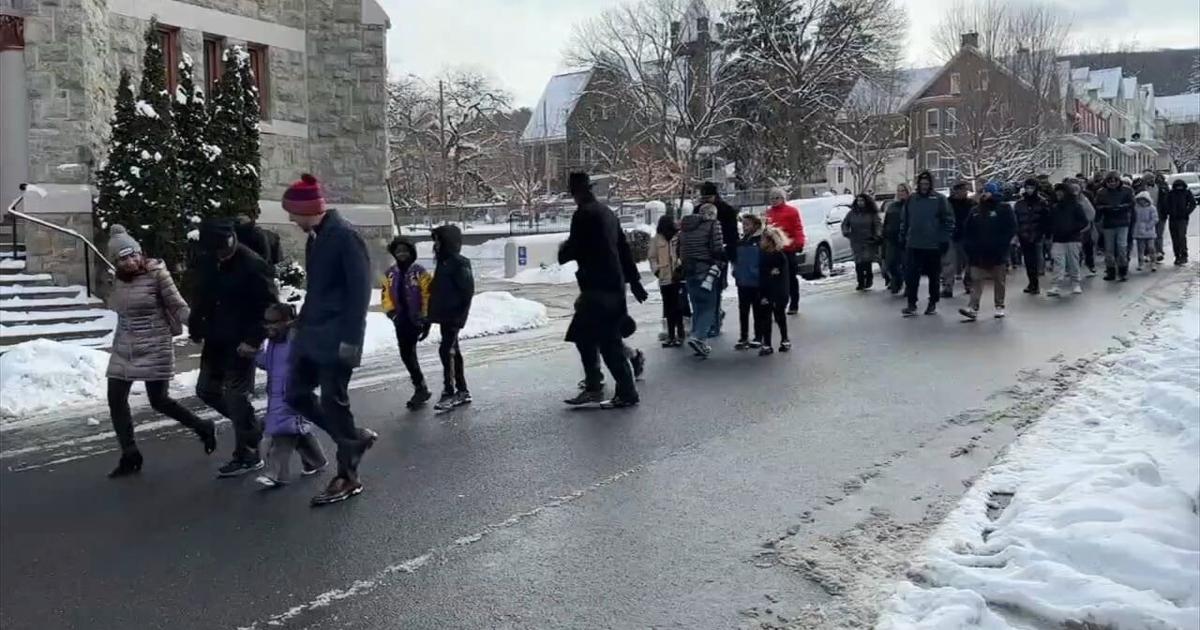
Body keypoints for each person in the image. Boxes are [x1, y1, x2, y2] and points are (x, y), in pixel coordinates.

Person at [281, 173, 377, 506]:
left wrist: (351, 343)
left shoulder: (345, 237)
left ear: (308, 209)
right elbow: (319, 292)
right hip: (312, 336)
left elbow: (359, 295)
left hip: (338, 338)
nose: (291, 220)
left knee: (335, 403)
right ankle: (352, 439)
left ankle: (348, 476)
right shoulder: (316, 239)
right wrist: (299, 325)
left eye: (293, 213)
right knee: (295, 394)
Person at [104, 225, 215, 478]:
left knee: (159, 401)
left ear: (141, 253)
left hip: (155, 344)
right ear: (116, 262)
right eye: (123, 258)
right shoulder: (117, 280)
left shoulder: (157, 274)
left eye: (134, 255)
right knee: (115, 399)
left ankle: (202, 426)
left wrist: (202, 329)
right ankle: (130, 454)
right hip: (125, 345)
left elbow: (177, 306)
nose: (131, 261)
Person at [190, 218, 276, 477]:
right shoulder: (208, 259)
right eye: (214, 250)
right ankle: (253, 428)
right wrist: (196, 324)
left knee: (236, 397)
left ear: (231, 239)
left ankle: (248, 453)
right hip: (215, 338)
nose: (220, 254)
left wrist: (253, 340)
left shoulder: (252, 265)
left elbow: (270, 306)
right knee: (206, 390)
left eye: (223, 248)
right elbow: (202, 294)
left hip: (241, 342)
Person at [560, 172, 647, 407]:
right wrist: (634, 281)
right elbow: (623, 248)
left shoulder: (583, 215)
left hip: (597, 286)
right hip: (612, 284)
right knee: (586, 336)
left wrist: (563, 250)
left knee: (607, 343)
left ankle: (624, 392)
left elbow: (576, 248)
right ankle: (594, 386)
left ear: (574, 192)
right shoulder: (607, 213)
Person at [254, 303, 328, 489]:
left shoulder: (295, 340)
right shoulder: (273, 343)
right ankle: (316, 460)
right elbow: (269, 364)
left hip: (294, 395)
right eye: (266, 322)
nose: (269, 327)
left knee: (283, 433)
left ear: (287, 322)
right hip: (277, 395)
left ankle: (275, 474)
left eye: (274, 322)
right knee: (298, 431)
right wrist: (256, 355)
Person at [381, 236, 433, 408]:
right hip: (400, 319)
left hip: (416, 318)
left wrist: (425, 317)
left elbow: (427, 295)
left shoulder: (419, 272)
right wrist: (392, 313)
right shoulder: (390, 273)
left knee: (409, 353)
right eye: (398, 251)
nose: (402, 254)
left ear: (411, 252)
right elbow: (386, 295)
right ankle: (420, 386)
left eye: (405, 250)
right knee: (406, 354)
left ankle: (420, 387)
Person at [427, 225, 475, 410]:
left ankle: (451, 391)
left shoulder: (459, 263)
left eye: (439, 240)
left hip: (454, 317)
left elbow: (467, 292)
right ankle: (461, 390)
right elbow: (439, 291)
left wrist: (459, 318)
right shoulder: (443, 263)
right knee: (452, 351)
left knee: (446, 351)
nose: (436, 245)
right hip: (444, 316)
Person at [958, 183, 1016, 320]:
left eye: (987, 191)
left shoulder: (1004, 208)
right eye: (982, 191)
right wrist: (969, 246)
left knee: (999, 280)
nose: (983, 194)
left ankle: (999, 305)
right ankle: (973, 307)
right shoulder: (975, 210)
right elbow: (968, 230)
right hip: (978, 252)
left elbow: (1011, 228)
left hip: (997, 251)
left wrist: (1003, 245)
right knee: (976, 280)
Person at [900, 171, 955, 316]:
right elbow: (905, 220)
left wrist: (943, 239)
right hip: (914, 243)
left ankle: (933, 302)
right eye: (922, 184)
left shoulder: (939, 199)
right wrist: (903, 236)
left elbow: (948, 221)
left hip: (933, 244)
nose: (924, 186)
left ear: (930, 184)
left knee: (934, 276)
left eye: (927, 184)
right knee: (912, 275)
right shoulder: (912, 199)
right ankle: (911, 303)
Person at [678, 203, 726, 357]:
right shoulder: (713, 225)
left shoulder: (685, 227)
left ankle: (698, 337)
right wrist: (721, 260)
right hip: (705, 270)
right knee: (709, 306)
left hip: (689, 270)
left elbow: (679, 249)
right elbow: (717, 248)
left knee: (697, 306)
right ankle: (698, 336)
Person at [764, 188, 805, 314]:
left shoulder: (791, 212)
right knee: (773, 278)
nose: (774, 201)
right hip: (772, 250)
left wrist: (799, 243)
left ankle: (794, 303)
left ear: (783, 198)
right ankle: (777, 304)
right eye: (772, 198)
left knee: (790, 277)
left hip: (788, 249)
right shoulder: (768, 213)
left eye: (777, 198)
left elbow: (797, 228)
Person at [1046, 183, 1090, 297]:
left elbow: (1084, 221)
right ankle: (1056, 284)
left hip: (1072, 238)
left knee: (1073, 261)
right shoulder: (1055, 207)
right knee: (1058, 262)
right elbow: (1049, 221)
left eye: (1061, 192)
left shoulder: (1076, 206)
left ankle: (1075, 283)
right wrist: (1051, 231)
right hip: (1058, 239)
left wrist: (1073, 228)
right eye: (1057, 192)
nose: (1059, 194)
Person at [649, 214, 685, 348]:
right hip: (664, 277)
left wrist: (680, 269)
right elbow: (652, 257)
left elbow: (682, 253)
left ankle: (680, 333)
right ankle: (671, 335)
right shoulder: (656, 239)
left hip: (677, 276)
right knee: (669, 307)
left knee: (678, 305)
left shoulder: (677, 237)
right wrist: (657, 271)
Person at [1094, 170, 1135, 281]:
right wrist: (1105, 208)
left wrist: (1122, 207)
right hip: (1108, 222)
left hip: (1122, 222)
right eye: (1110, 181)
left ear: (1119, 181)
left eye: (1115, 181)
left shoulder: (1127, 190)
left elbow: (1132, 203)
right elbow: (1097, 206)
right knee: (1109, 249)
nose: (1112, 183)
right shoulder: (1101, 192)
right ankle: (1110, 270)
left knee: (1122, 247)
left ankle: (1123, 271)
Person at [757, 226, 791, 355]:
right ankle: (767, 343)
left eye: (763, 240)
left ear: (770, 241)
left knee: (779, 316)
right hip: (765, 291)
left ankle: (784, 339)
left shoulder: (779, 257)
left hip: (777, 292)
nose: (761, 242)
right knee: (765, 318)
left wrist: (770, 294)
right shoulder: (763, 255)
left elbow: (775, 277)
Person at [1013, 178, 1051, 294]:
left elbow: (1046, 219)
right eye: (1027, 187)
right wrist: (1018, 233)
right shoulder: (1020, 203)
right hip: (1024, 235)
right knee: (1028, 261)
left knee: (1036, 258)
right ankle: (1032, 282)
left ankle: (1035, 283)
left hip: (1037, 234)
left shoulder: (1042, 202)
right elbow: (1016, 220)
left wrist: (1045, 233)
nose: (1029, 190)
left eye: (1032, 187)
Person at [733, 213, 764, 349]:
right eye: (743, 225)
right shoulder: (741, 241)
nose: (745, 227)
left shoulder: (761, 241)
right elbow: (738, 260)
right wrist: (736, 273)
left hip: (756, 281)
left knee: (758, 310)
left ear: (756, 225)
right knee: (743, 310)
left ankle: (759, 336)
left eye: (747, 224)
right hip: (743, 281)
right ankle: (743, 336)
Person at [841, 193, 882, 291]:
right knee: (858, 262)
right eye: (858, 201)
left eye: (862, 201)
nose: (860, 203)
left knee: (866, 260)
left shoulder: (872, 213)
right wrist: (846, 232)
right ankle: (860, 282)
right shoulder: (852, 213)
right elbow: (845, 224)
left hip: (868, 240)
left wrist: (877, 235)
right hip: (856, 240)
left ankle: (868, 278)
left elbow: (877, 224)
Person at [941, 181, 975, 298]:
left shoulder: (971, 204)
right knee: (949, 263)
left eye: (966, 190)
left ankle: (969, 283)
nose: (965, 192)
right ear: (956, 191)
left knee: (970, 262)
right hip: (952, 236)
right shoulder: (947, 203)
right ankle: (948, 287)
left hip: (968, 236)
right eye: (962, 190)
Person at [882, 184, 909, 294]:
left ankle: (908, 286)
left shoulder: (911, 205)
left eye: (903, 191)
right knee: (891, 263)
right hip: (892, 238)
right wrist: (885, 233)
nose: (900, 193)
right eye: (899, 191)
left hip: (906, 239)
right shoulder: (892, 206)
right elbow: (886, 222)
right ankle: (897, 279)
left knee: (906, 264)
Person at [1164, 178, 1196, 265]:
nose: (1179, 188)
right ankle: (1177, 255)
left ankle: (1184, 255)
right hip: (1173, 218)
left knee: (1181, 236)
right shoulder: (1171, 194)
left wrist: (1187, 212)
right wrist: (1169, 211)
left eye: (1180, 187)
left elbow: (1193, 204)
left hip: (1183, 218)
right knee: (1175, 238)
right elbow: (1166, 204)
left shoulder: (1186, 193)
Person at [1072, 180, 1098, 276]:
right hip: (1072, 230)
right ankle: (1075, 268)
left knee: (1088, 247)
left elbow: (1092, 213)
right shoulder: (1067, 201)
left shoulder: (1084, 200)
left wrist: (1085, 221)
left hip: (1085, 228)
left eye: (1076, 190)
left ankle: (1090, 265)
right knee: (1075, 250)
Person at [1132, 191, 1159, 273]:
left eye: (1143, 200)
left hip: (1149, 231)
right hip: (1139, 231)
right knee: (1140, 249)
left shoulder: (1152, 208)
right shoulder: (1136, 208)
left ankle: (1153, 263)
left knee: (1151, 247)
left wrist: (1148, 226)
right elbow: (1133, 219)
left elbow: (1155, 219)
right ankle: (1141, 263)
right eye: (1140, 200)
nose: (1142, 202)